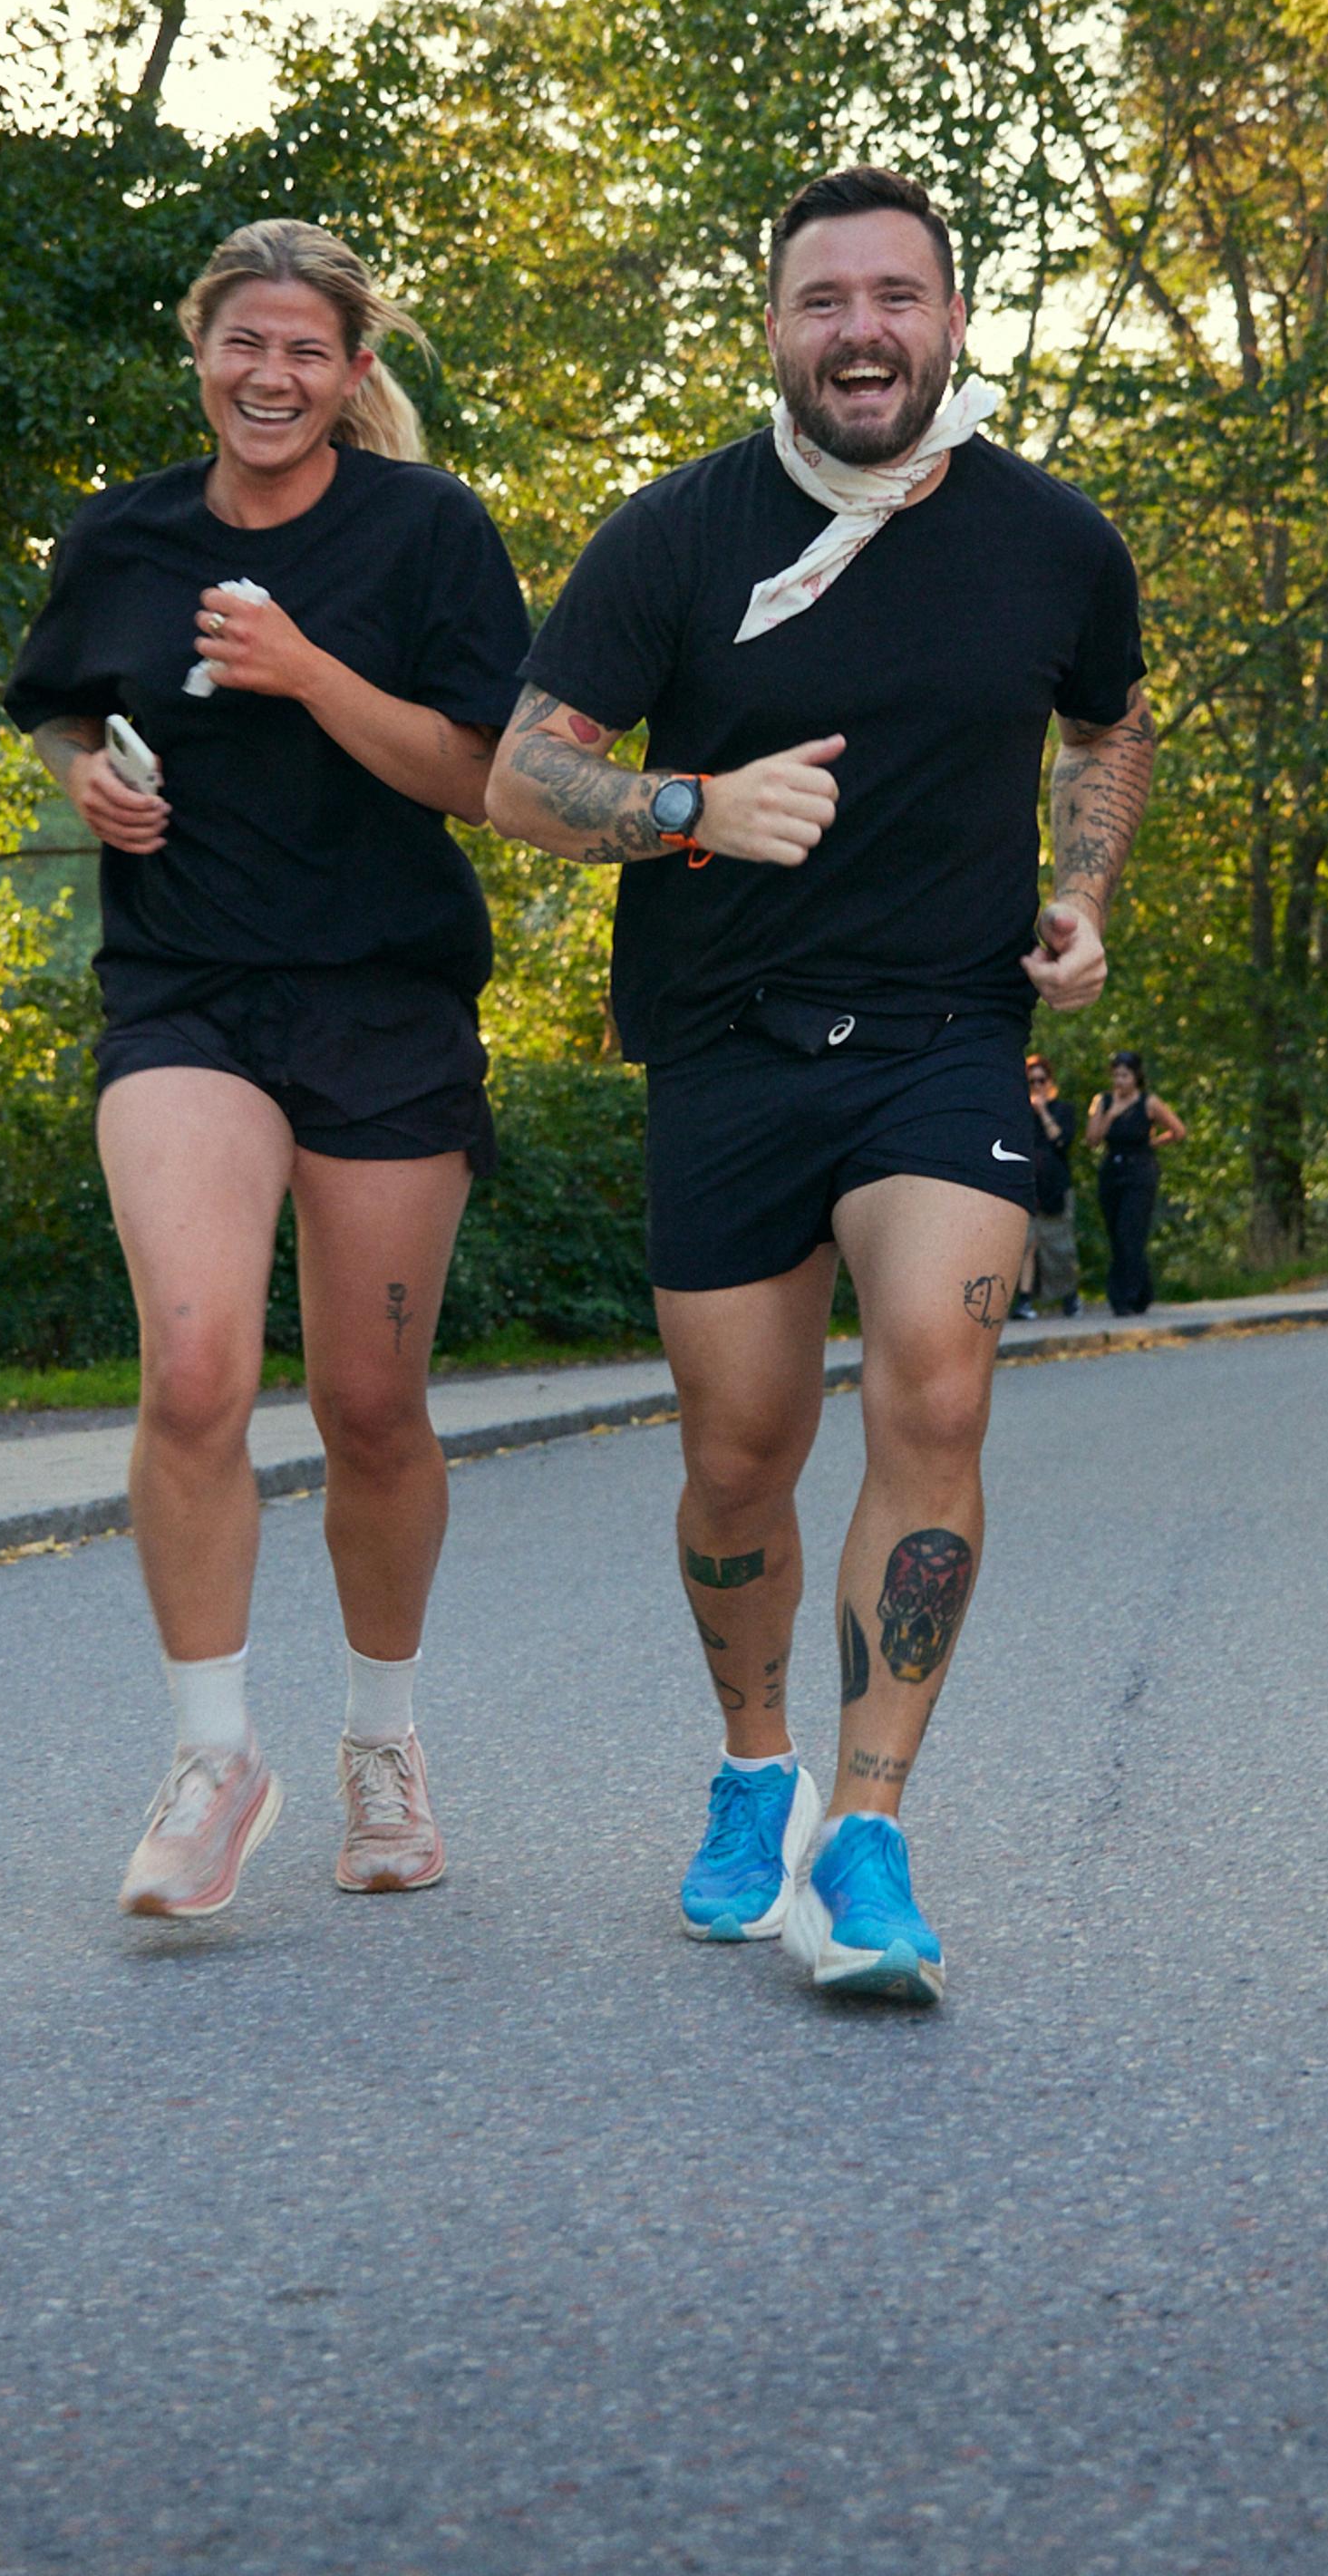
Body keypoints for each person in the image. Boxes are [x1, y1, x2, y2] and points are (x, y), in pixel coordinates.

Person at [487, 162, 1152, 2006]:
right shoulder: (675, 538)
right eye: (824, 300)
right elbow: (521, 779)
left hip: (947, 1043)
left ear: (952, 319)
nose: (862, 329)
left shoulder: (1052, 540)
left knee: (934, 1389)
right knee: (737, 1455)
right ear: (773, 330)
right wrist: (696, 810)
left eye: (895, 296)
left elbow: (1108, 721)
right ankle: (753, 1767)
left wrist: (1082, 892)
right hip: (724, 1049)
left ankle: (870, 1830)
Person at [7, 223, 532, 1920]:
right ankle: (211, 1751)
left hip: (383, 1002)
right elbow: (63, 710)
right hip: (188, 996)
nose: (272, 377)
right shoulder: (127, 534)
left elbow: (480, 776)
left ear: (353, 371)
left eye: (308, 351)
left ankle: (382, 1741)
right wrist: (88, 780)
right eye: (246, 344)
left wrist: (306, 672)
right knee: (194, 1370)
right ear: (201, 348)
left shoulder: (427, 534)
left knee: (372, 1409)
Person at [1085, 1052, 1183, 1315]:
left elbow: (1178, 1131)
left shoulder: (1149, 1103)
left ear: (1136, 1076)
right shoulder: (1103, 1102)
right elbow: (1092, 1139)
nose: (1120, 1081)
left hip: (1140, 1170)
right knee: (1116, 1234)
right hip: (1112, 1170)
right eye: (1116, 1075)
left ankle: (1124, 1298)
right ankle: (1143, 1293)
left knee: (1131, 1232)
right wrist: (1110, 1116)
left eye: (1125, 1075)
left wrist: (1152, 1143)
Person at [1015, 1056, 1081, 1317]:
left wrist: (1043, 1112)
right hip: (1029, 1186)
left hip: (1056, 1186)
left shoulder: (1063, 1110)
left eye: (1041, 1080)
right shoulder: (1018, 1112)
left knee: (1059, 1246)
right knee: (1027, 1244)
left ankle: (1069, 1295)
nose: (1037, 1085)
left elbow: (1062, 1142)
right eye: (1032, 1081)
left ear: (1050, 1082)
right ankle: (1024, 1299)